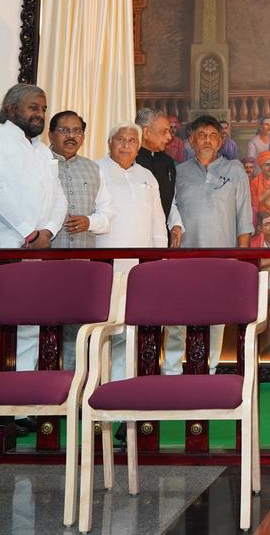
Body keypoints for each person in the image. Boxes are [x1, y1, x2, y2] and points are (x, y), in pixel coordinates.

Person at [0, 83, 68, 377]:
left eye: (43, 109)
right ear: (12, 108)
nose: (40, 114)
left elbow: (59, 196)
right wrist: (29, 232)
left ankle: (21, 405)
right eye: (33, 108)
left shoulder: (42, 150)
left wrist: (48, 231)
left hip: (39, 249)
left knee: (31, 325)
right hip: (5, 245)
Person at [97, 122, 168, 380]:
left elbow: (158, 222)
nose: (126, 144)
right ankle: (97, 390)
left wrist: (159, 262)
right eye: (120, 139)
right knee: (104, 330)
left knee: (131, 331)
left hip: (140, 269)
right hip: (106, 267)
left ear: (139, 147)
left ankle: (123, 389)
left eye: (132, 140)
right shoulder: (97, 171)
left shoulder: (146, 176)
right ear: (110, 143)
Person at [175, 115, 253, 249]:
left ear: (220, 142)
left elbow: (244, 219)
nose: (207, 140)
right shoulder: (179, 172)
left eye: (213, 136)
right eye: (202, 135)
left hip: (225, 255)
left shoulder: (235, 171)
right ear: (191, 141)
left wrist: (242, 257)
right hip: (186, 254)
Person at [48, 110, 112, 249]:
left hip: (84, 258)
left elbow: (106, 216)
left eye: (77, 131)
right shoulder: (39, 164)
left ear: (83, 137)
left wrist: (89, 222)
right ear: (51, 135)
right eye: (64, 130)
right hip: (45, 257)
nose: (71, 136)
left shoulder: (94, 168)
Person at [135, 107, 184, 247]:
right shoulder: (128, 162)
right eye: (164, 132)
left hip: (161, 240)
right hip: (133, 240)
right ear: (146, 132)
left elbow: (170, 200)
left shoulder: (168, 163)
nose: (169, 137)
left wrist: (175, 224)